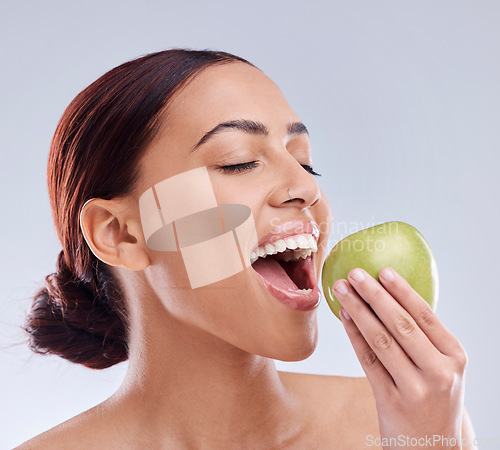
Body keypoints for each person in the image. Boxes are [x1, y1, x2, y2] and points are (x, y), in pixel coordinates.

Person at [19, 49, 476, 448]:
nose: (304, 188)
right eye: (238, 161)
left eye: (305, 162)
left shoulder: (405, 425)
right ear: (120, 234)